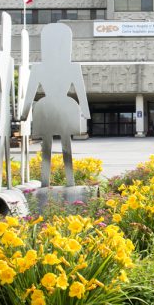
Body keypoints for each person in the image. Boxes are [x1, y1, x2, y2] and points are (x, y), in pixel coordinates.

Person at [21, 23, 91, 187]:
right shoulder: (70, 67)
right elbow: (80, 92)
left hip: (47, 107)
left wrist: (24, 114)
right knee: (63, 145)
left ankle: (48, 181)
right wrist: (86, 112)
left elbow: (30, 94)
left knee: (49, 145)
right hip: (64, 107)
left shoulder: (40, 68)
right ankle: (67, 180)